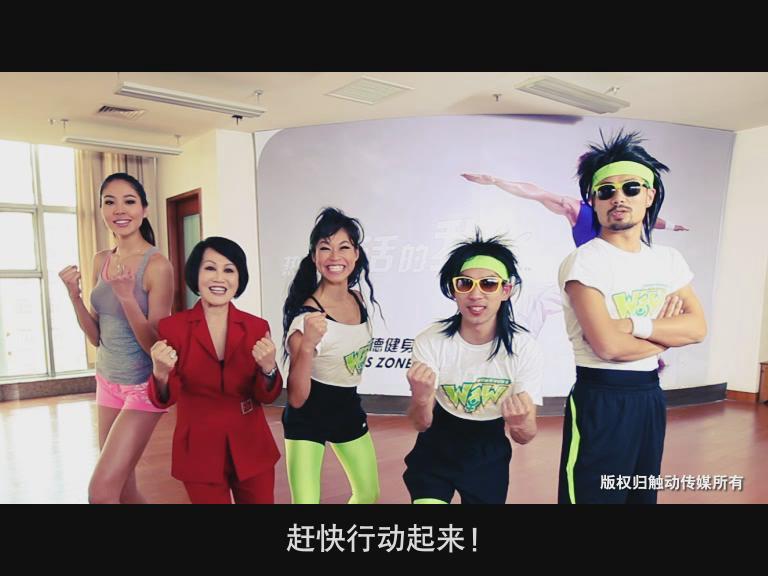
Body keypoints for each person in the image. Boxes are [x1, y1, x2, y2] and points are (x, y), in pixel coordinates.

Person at [557, 130, 707, 504]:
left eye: (631, 188)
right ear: (593, 201)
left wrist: (632, 326)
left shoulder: (668, 260)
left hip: (649, 397)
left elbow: (697, 328)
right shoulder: (584, 262)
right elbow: (608, 347)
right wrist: (666, 337)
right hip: (600, 397)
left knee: (640, 498)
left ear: (649, 195)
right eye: (606, 190)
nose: (618, 198)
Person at [403, 231, 543, 504]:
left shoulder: (524, 348)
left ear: (505, 291)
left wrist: (519, 423)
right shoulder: (431, 341)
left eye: (488, 284)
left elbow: (525, 436)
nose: (475, 294)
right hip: (435, 451)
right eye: (465, 283)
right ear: (454, 290)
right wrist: (420, 398)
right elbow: (421, 423)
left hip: (488, 456)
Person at [58, 173, 173, 503]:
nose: (119, 210)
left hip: (142, 387)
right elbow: (96, 337)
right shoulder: (101, 259)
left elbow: (155, 347)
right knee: (123, 486)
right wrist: (74, 296)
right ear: (101, 210)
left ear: (144, 210)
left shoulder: (157, 266)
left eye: (129, 201)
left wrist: (127, 297)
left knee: (100, 490)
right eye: (110, 202)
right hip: (107, 381)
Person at [148, 236, 282, 504]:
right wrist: (160, 374)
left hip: (251, 443)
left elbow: (266, 396)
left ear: (239, 279)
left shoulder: (257, 327)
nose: (219, 278)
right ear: (196, 275)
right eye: (210, 268)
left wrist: (269, 369)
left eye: (229, 270)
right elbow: (166, 398)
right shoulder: (172, 328)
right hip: (198, 447)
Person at [281, 207, 381, 504]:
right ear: (314, 256)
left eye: (343, 247)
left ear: (356, 254)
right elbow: (296, 398)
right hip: (307, 417)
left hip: (347, 408)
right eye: (325, 248)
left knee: (368, 494)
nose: (335, 256)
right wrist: (308, 345)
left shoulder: (358, 299)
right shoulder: (306, 319)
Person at [461, 174, 689, 247]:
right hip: (590, 275)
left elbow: (649, 219)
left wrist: (672, 226)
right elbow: (536, 192)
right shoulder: (577, 208)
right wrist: (496, 181)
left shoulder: (623, 210)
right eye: (605, 189)